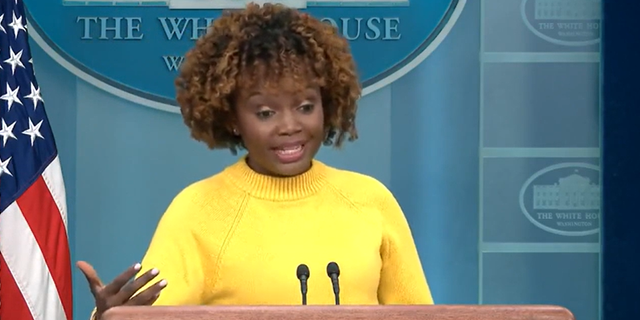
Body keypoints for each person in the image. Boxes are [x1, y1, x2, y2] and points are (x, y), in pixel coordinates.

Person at [77, 3, 433, 319]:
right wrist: (111, 318)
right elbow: (144, 314)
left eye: (306, 107)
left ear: (328, 103)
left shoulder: (371, 201)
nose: (290, 126)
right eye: (265, 113)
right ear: (232, 117)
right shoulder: (198, 211)